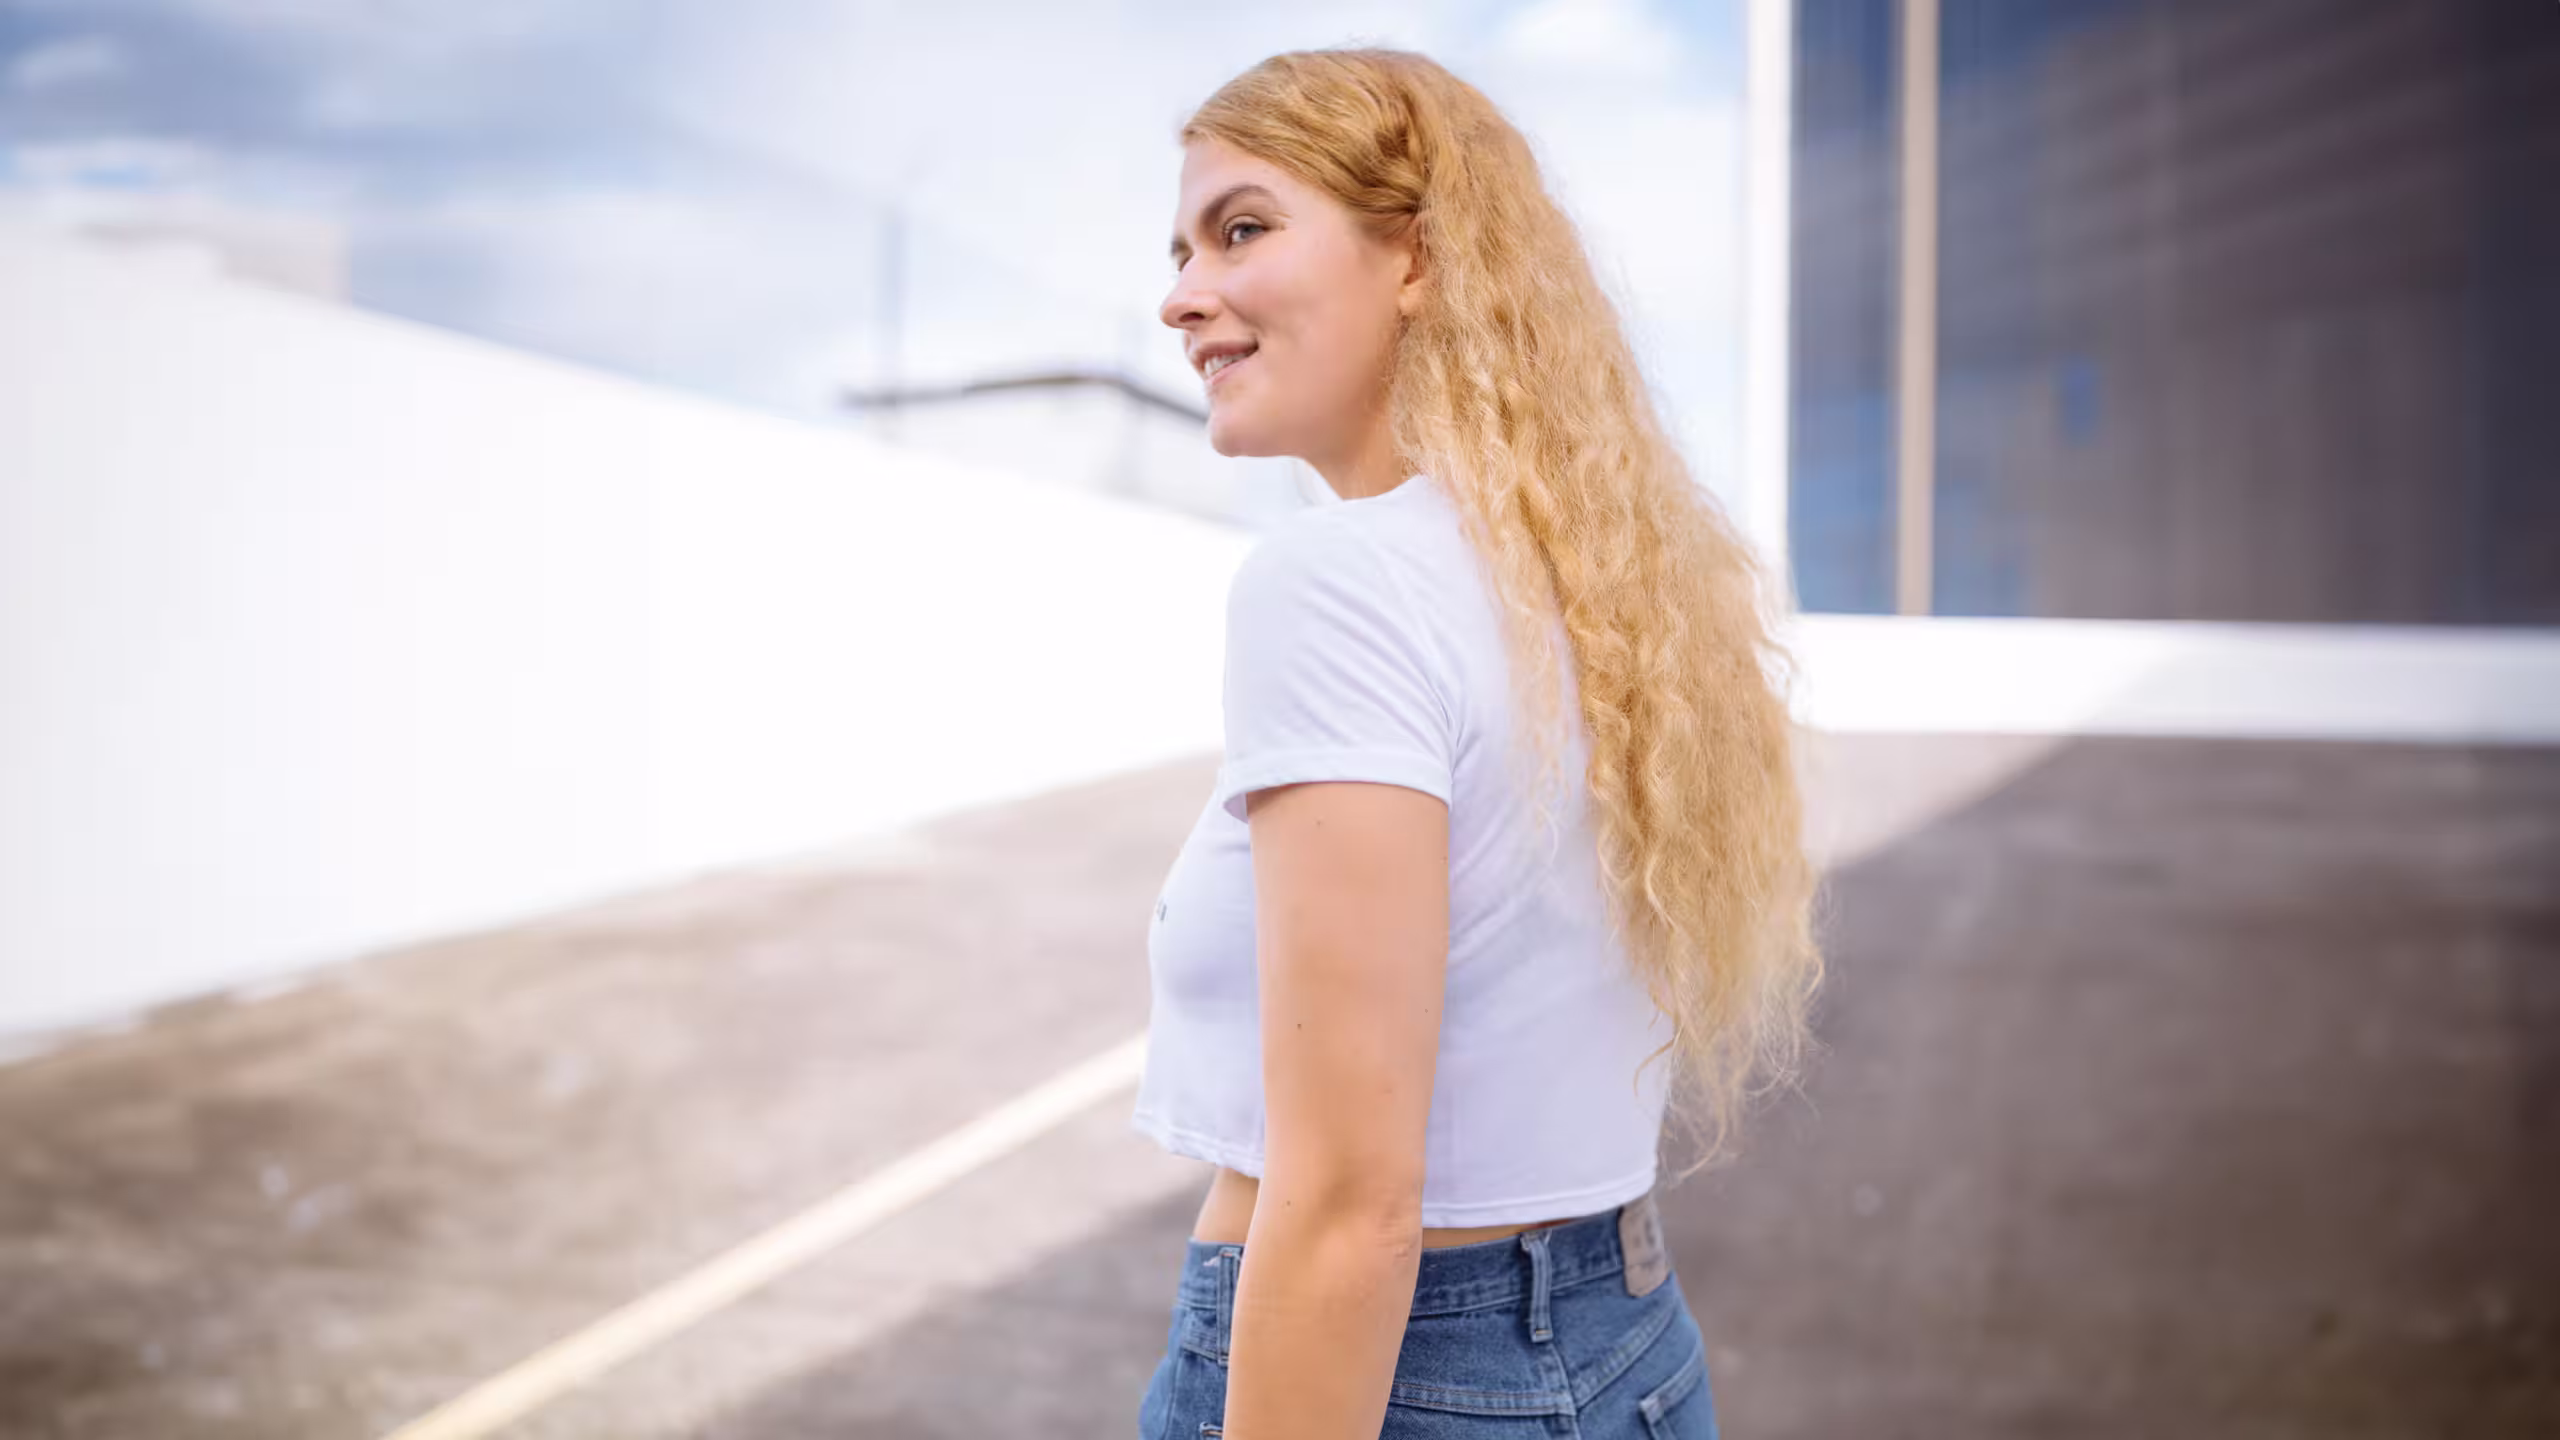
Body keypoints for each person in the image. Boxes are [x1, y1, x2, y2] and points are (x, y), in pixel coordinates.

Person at [1131, 46, 1826, 1440]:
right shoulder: (1605, 587)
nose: (1181, 296)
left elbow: (1347, 1208)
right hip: (1626, 1348)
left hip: (1406, 1384)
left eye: (1244, 229)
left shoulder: (1338, 583)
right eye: (1183, 247)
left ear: (1419, 261)